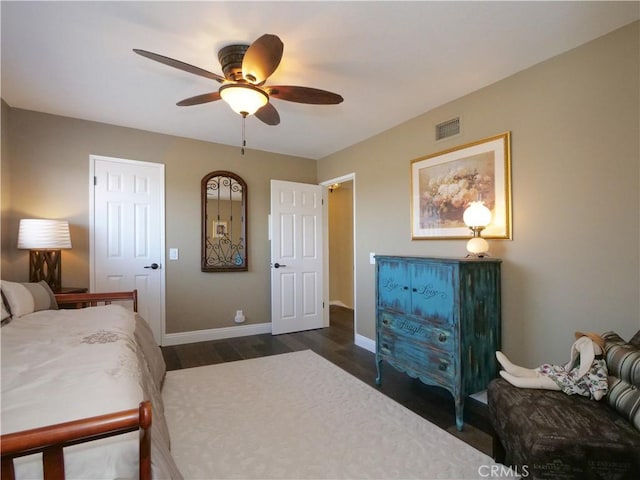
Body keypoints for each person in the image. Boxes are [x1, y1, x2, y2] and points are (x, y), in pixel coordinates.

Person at [496, 332, 608, 401]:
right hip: (566, 375)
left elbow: (598, 393)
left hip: (570, 383)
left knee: (543, 381)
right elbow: (571, 367)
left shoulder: (598, 368)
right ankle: (512, 369)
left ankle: (516, 380)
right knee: (542, 371)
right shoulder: (581, 359)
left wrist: (596, 389)